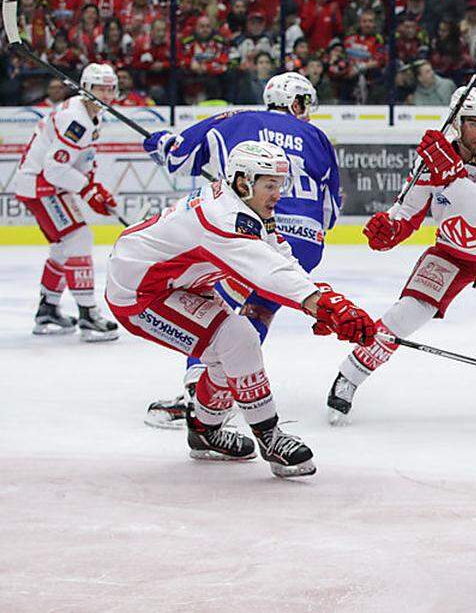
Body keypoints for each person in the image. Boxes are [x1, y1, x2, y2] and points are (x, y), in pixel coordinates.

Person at [106, 140, 374, 478]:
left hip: (178, 280)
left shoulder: (246, 206)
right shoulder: (225, 218)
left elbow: (280, 257)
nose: (278, 194)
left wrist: (325, 301)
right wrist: (321, 305)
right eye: (270, 185)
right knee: (239, 338)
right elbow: (267, 271)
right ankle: (269, 437)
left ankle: (205, 431)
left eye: (281, 184)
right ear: (244, 181)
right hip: (140, 290)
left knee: (228, 349)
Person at [327, 86, 476, 425]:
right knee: (405, 314)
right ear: (456, 122)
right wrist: (392, 229)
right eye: (473, 122)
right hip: (453, 252)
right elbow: (409, 208)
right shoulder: (435, 155)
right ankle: (349, 376)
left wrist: (450, 172)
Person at [140, 72, 340, 428]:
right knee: (257, 313)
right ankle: (223, 392)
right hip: (306, 243)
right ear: (296, 104)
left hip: (250, 233)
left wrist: (157, 143)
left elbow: (177, 156)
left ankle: (196, 395)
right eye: (306, 104)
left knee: (216, 312)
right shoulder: (319, 138)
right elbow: (331, 213)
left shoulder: (236, 120)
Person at [14, 63, 121, 342]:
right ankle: (88, 314)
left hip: (46, 185)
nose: (106, 94)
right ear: (86, 88)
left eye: (110, 88)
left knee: (65, 245)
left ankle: (47, 310)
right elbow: (54, 169)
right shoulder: (77, 119)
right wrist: (87, 190)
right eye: (100, 88)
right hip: (41, 184)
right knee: (79, 236)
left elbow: (79, 159)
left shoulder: (88, 114)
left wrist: (93, 185)